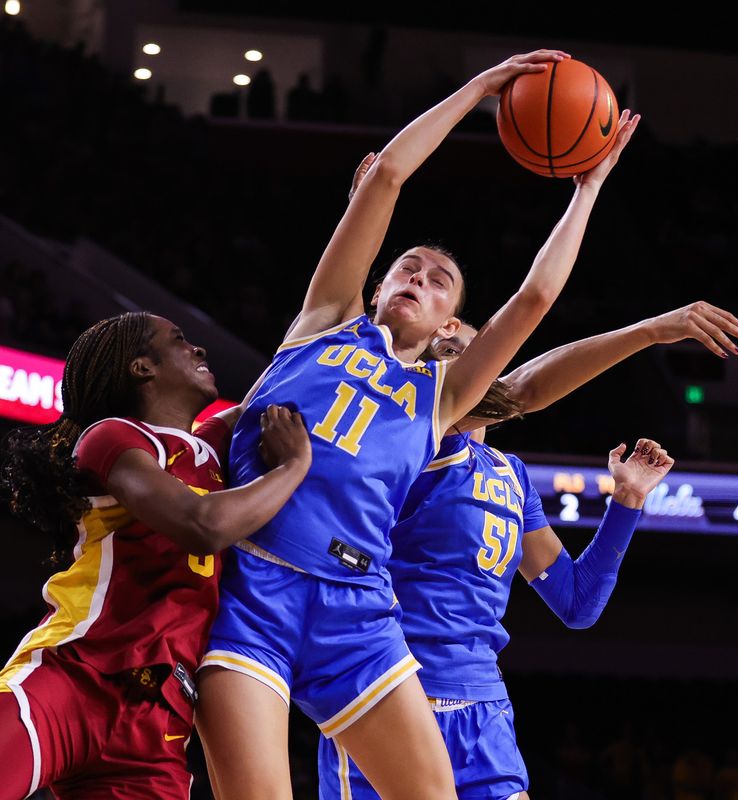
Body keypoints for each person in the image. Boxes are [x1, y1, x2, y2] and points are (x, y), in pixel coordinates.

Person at [196, 48, 641, 800]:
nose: (418, 278)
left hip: (356, 609)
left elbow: (533, 300)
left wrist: (586, 190)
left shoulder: (442, 396)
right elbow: (389, 177)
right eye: (407, 266)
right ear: (376, 286)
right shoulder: (323, 323)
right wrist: (475, 90)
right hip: (256, 589)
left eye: (439, 281)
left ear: (449, 320)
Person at [320, 291, 738, 798]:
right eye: (458, 354)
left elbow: (577, 602)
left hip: (482, 710)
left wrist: (627, 502)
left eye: (482, 355)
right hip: (390, 693)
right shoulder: (406, 441)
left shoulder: (510, 474)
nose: (479, 367)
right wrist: (649, 331)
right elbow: (525, 387)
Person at [0, 312, 312, 800]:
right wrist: (293, 466)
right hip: (76, 675)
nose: (199, 350)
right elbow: (202, 526)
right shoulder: (112, 437)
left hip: (158, 721)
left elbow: (298, 353)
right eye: (180, 340)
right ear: (142, 367)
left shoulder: (213, 448)